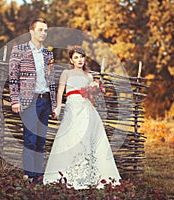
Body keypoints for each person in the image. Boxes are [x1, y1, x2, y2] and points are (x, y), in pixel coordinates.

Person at [43, 46, 121, 189]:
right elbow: (60, 92)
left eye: (81, 57)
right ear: (71, 60)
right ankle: (67, 173)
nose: (79, 60)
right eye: (76, 57)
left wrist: (95, 90)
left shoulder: (89, 76)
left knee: (87, 139)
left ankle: (90, 174)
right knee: (71, 138)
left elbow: (91, 98)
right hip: (72, 108)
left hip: (86, 109)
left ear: (85, 58)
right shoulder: (66, 73)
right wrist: (58, 108)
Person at [9, 18, 56, 183]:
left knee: (41, 140)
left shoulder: (48, 54)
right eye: (40, 30)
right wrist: (15, 100)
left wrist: (54, 105)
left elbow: (51, 81)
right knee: (30, 139)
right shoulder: (19, 50)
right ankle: (29, 176)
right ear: (31, 31)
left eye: (45, 30)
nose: (43, 33)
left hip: (45, 101)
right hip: (29, 101)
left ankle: (38, 176)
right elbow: (13, 77)